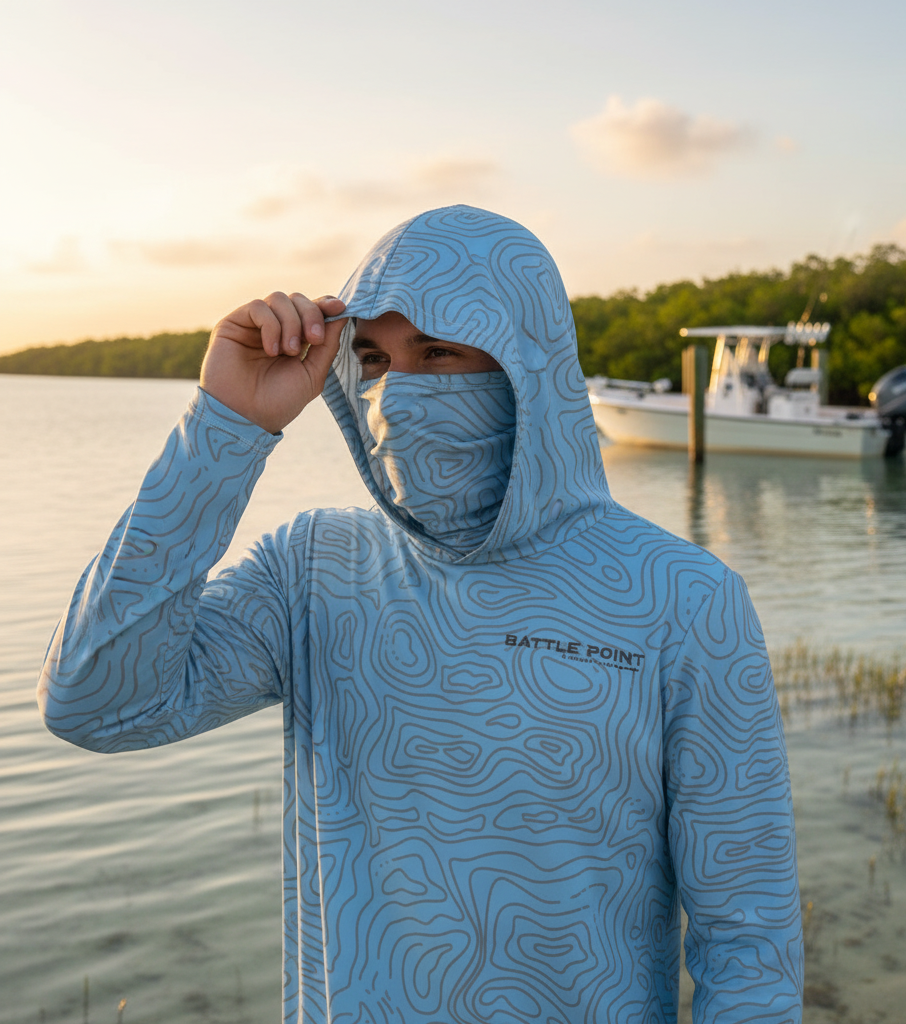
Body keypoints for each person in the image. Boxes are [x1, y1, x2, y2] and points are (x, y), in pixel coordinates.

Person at [39, 205, 803, 1023]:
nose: (399, 391)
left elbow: (747, 939)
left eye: (437, 350)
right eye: (372, 358)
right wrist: (226, 427)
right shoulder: (312, 571)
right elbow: (97, 704)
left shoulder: (684, 598)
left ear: (527, 362)